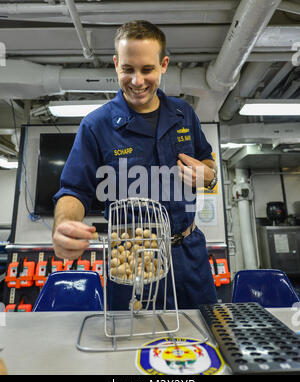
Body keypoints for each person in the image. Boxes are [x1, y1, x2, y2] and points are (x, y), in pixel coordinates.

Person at [52, 20, 218, 309]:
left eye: (147, 69)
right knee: (131, 345)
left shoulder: (184, 114)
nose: (137, 81)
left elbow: (207, 162)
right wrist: (64, 224)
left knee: (202, 340)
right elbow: (73, 190)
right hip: (130, 259)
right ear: (117, 65)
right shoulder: (96, 126)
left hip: (189, 257)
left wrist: (207, 175)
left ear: (163, 65)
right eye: (128, 69)